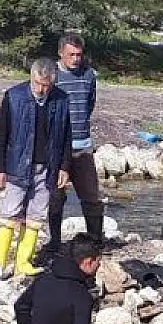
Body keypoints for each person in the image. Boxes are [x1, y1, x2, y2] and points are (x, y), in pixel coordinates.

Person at [0, 58, 72, 277]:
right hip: (17, 165)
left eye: (46, 85)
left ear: (53, 83)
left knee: (36, 216)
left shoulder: (62, 100)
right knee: (10, 213)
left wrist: (64, 167)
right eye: (37, 83)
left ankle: (22, 263)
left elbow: (66, 137)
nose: (41, 89)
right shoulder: (13, 96)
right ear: (31, 76)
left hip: (47, 168)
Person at [48, 33, 104, 256]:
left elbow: (90, 103)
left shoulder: (89, 75)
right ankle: (55, 241)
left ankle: (96, 241)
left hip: (83, 144)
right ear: (61, 54)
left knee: (91, 195)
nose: (76, 59)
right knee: (56, 195)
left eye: (79, 55)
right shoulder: (52, 76)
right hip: (58, 147)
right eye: (71, 55)